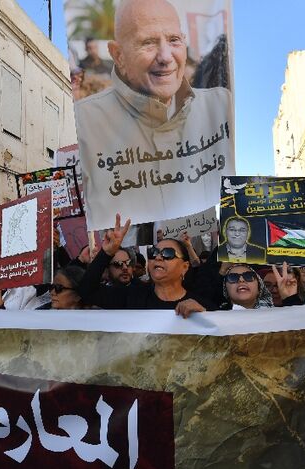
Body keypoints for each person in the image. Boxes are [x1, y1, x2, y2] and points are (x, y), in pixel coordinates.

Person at [74, 0, 232, 229]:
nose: (166, 57)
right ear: (118, 55)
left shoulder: (219, 106)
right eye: (148, 43)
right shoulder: (84, 123)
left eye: (174, 40)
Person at [76, 214, 213, 316]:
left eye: (168, 253)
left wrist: (205, 317)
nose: (158, 257)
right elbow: (87, 291)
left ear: (184, 267)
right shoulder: (132, 297)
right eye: (154, 252)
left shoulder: (200, 305)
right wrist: (106, 253)